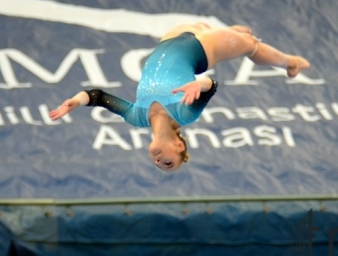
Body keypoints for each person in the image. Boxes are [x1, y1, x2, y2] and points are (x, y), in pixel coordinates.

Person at [49, 23, 310, 172]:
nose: (158, 161)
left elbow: (98, 96)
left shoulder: (136, 117)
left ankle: (232, 32)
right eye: (168, 163)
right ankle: (291, 62)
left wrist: (75, 101)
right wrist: (200, 83)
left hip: (172, 38)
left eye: (158, 164)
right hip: (201, 50)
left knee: (230, 34)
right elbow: (212, 84)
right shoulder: (185, 113)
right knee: (251, 45)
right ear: (179, 146)